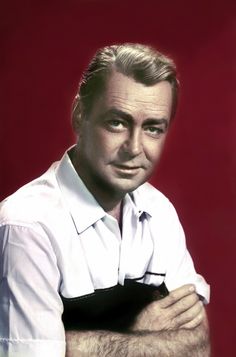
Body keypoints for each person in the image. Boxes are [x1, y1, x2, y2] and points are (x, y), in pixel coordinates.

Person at [0, 43, 210, 357]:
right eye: (117, 122)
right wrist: (139, 332)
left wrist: (74, 345)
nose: (134, 147)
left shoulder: (160, 212)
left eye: (153, 128)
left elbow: (198, 346)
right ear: (79, 115)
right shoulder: (26, 228)